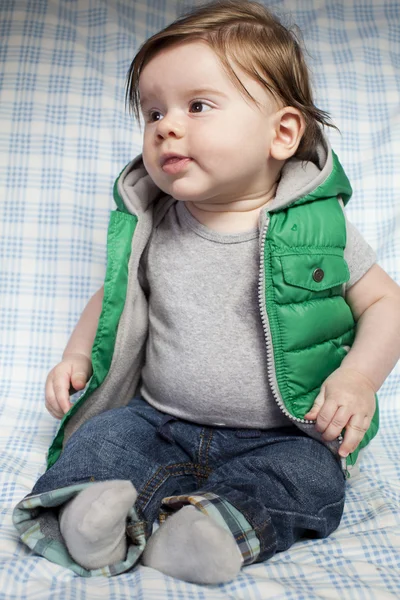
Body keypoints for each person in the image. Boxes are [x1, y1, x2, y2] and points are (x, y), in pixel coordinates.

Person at [13, 0, 400, 585]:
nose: (167, 125)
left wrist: (357, 379)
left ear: (283, 133)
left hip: (280, 435)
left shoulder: (320, 230)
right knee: (104, 440)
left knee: (312, 479)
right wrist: (75, 354)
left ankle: (214, 533)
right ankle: (89, 517)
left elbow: (385, 303)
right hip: (158, 418)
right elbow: (114, 295)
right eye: (152, 112)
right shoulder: (157, 224)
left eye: (198, 105)